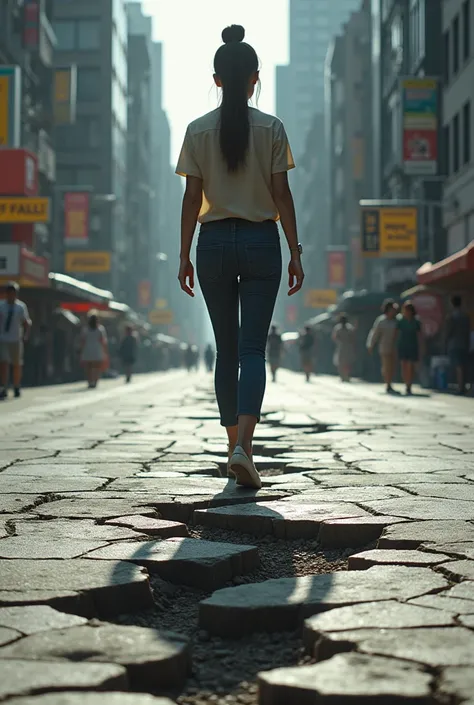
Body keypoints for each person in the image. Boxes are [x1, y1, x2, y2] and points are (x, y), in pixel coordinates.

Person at [176, 25, 303, 489]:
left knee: (225, 351)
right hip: (260, 242)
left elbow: (192, 199)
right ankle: (243, 447)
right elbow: (282, 195)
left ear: (216, 79)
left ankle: (234, 445)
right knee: (253, 349)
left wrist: (183, 256)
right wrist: (296, 251)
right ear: (254, 78)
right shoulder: (272, 128)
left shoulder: (196, 130)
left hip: (210, 245)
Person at [0, 282, 31, 400]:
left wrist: (26, 335)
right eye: (9, 293)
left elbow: (26, 322)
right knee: (3, 363)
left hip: (16, 339)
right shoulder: (1, 306)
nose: (11, 295)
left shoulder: (20, 307)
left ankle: (17, 386)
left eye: (13, 293)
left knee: (17, 364)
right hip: (3, 338)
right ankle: (4, 387)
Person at [367, 299, 399, 393]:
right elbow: (374, 333)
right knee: (386, 365)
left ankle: (390, 382)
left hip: (395, 346)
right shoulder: (381, 320)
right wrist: (370, 344)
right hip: (384, 346)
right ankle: (388, 383)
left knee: (392, 366)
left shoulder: (397, 320)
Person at [396, 301, 422, 395]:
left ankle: (409, 384)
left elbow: (419, 335)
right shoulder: (400, 321)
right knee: (404, 366)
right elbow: (396, 333)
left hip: (412, 346)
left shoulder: (416, 322)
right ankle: (406, 383)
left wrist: (422, 347)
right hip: (403, 345)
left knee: (411, 366)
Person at [445, 295, 471, 395]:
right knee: (464, 365)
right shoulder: (465, 316)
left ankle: (460, 387)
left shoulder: (451, 317)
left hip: (454, 344)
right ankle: (463, 385)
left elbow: (448, 332)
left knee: (458, 366)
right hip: (464, 343)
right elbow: (468, 331)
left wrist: (445, 343)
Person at [80, 312, 108, 389]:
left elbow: (82, 341)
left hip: (87, 349)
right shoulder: (100, 329)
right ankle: (95, 381)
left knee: (89, 367)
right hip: (97, 349)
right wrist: (105, 351)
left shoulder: (85, 329)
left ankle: (90, 381)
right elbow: (103, 341)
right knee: (96, 367)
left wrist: (81, 351)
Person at [332, 313, 355, 382]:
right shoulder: (338, 328)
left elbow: (352, 338)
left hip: (346, 347)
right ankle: (343, 375)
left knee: (347, 362)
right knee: (341, 362)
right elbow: (335, 337)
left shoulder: (349, 328)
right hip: (341, 347)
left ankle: (346, 375)